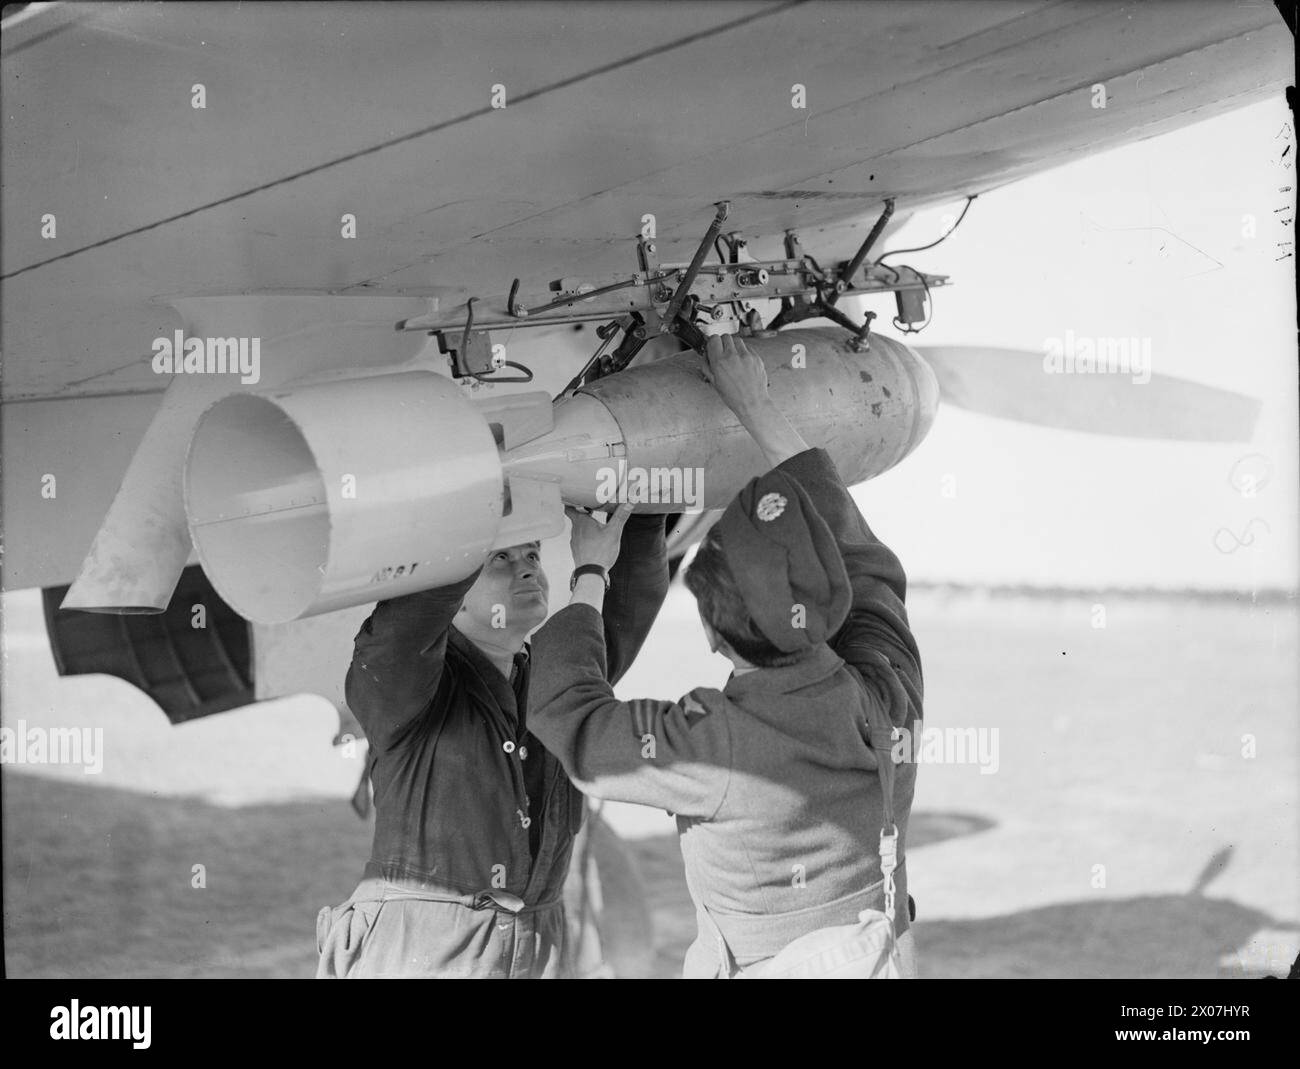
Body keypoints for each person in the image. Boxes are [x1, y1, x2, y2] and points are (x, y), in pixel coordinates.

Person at [529, 333, 924, 978]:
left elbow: (568, 719)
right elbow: (867, 565)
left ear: (712, 636)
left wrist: (590, 568)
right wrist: (756, 403)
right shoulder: (889, 689)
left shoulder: (714, 744)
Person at [316, 509, 668, 978]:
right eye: (499, 558)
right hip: (425, 954)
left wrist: (641, 505)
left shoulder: (557, 683)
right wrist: (477, 506)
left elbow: (631, 600)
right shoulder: (409, 690)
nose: (526, 568)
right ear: (456, 595)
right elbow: (406, 623)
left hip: (537, 954)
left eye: (533, 555)